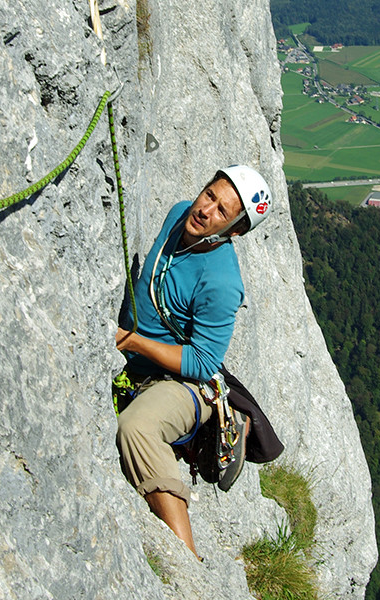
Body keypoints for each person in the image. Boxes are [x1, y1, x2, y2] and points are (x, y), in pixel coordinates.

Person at [112, 165, 270, 559]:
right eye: (209, 195)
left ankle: (187, 563)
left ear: (233, 230)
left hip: (186, 383)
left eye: (222, 211)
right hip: (140, 362)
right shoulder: (179, 213)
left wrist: (132, 342)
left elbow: (202, 361)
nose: (206, 209)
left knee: (138, 428)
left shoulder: (221, 282)